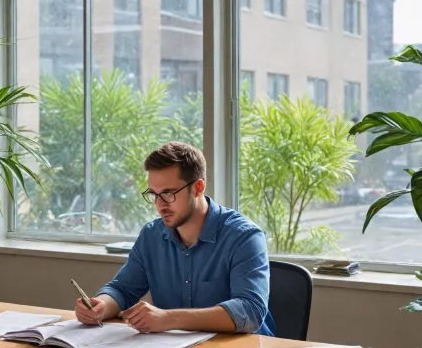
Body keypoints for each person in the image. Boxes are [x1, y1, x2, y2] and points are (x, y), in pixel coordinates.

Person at [75, 142, 275, 335]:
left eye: (168, 193)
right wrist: (101, 306)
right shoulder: (151, 235)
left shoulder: (244, 236)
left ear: (198, 188)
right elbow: (122, 289)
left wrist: (169, 318)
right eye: (154, 194)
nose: (160, 205)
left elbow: (250, 311)